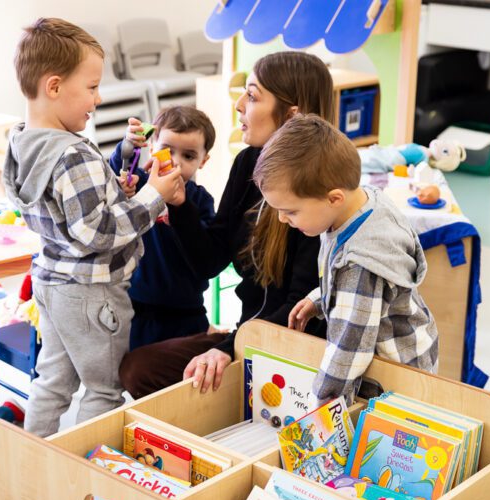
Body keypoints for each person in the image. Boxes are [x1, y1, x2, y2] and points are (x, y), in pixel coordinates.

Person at [2, 18, 184, 436]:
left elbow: (70, 208)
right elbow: (98, 233)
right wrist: (152, 194)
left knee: (52, 382)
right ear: (54, 86)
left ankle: (32, 464)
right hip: (92, 292)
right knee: (103, 390)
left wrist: (123, 157)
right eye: (91, 87)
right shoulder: (72, 155)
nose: (98, 98)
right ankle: (88, 477)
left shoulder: (22, 143)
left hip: (52, 282)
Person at [120, 51, 334, 398]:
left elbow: (300, 310)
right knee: (136, 370)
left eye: (251, 95)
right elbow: (210, 260)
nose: (238, 105)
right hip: (247, 334)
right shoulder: (248, 162)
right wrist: (180, 205)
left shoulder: (319, 192)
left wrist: (227, 347)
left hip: (290, 349)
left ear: (291, 115)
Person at [254, 114, 439, 405]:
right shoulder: (359, 205)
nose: (282, 219)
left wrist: (321, 407)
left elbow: (348, 350)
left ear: (334, 198)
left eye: (291, 211)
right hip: (396, 352)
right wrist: (319, 298)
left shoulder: (360, 267)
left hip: (399, 377)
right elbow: (341, 272)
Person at [108, 107, 217, 350]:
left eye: (188, 156)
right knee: (135, 373)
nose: (175, 162)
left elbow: (206, 253)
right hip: (137, 306)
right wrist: (127, 145)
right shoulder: (139, 184)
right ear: (152, 146)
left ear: (203, 161)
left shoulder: (200, 201)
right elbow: (117, 172)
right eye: (167, 151)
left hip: (187, 312)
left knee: (185, 380)